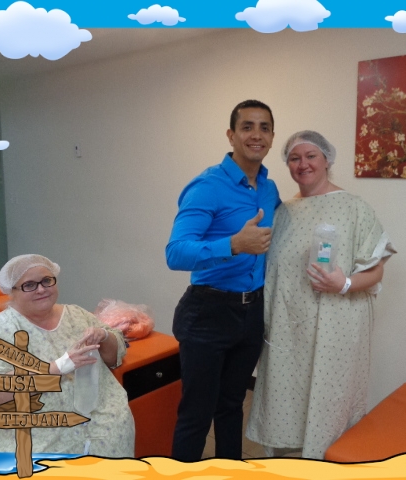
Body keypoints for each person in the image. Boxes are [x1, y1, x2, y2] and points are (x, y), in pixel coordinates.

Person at [245, 130, 397, 459]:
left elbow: (377, 270)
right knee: (286, 399)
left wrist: (344, 284)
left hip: (337, 329)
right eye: (294, 158)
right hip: (287, 330)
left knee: (330, 402)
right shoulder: (282, 213)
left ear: (327, 160)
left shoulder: (354, 207)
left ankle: (327, 463)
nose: (303, 164)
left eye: (311, 156)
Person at [165, 99, 280, 461]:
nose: (256, 135)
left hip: (252, 312)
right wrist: (233, 244)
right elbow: (175, 252)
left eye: (264, 127)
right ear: (231, 135)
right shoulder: (207, 186)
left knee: (232, 405)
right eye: (247, 127)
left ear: (272, 136)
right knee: (196, 415)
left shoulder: (269, 189)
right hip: (208, 312)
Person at [0, 254, 135, 457]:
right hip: (39, 441)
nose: (41, 289)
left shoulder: (77, 315)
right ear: (12, 291)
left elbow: (114, 358)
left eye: (46, 280)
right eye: (29, 285)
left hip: (106, 428)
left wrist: (105, 336)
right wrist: (56, 368)